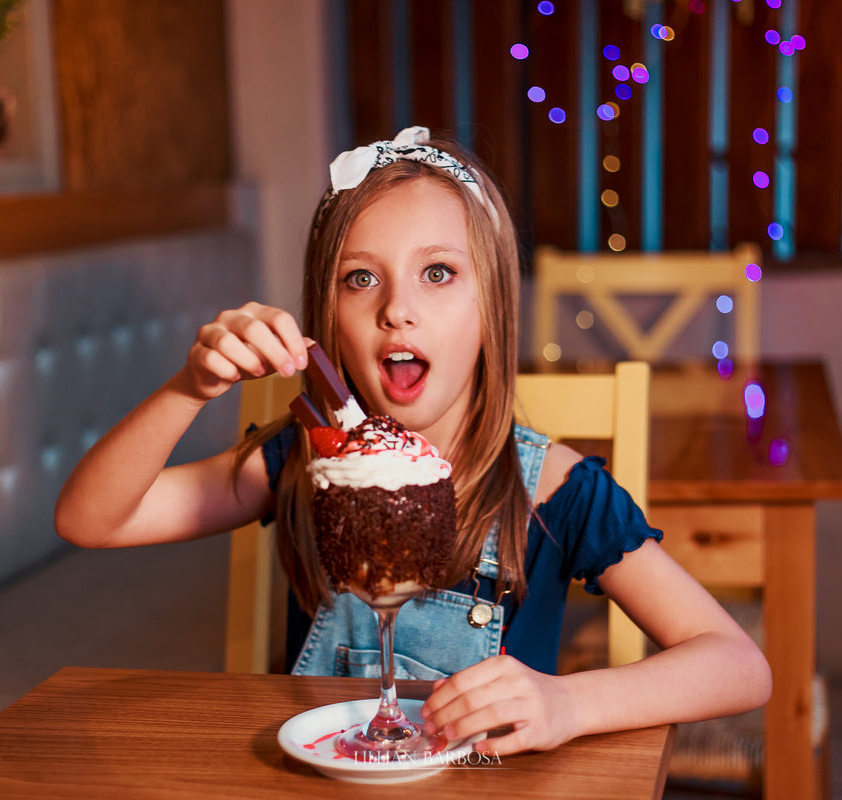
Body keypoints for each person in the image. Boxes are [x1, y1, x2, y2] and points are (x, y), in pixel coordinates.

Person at [55, 127, 771, 756]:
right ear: (326, 318)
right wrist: (191, 386)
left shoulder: (557, 491)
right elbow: (91, 519)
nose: (397, 309)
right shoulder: (305, 464)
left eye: (438, 273)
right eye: (360, 278)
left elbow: (738, 665)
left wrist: (569, 704)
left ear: (492, 305)